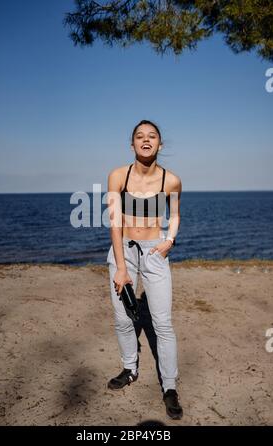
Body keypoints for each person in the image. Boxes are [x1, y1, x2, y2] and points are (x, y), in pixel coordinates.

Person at [106, 119, 183, 420]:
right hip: (123, 249)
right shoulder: (118, 176)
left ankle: (170, 387)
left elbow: (175, 214)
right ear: (132, 144)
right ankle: (130, 368)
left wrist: (169, 241)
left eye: (152, 136)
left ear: (160, 144)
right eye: (140, 136)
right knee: (124, 319)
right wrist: (121, 268)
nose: (146, 140)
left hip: (154, 252)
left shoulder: (171, 180)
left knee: (162, 325)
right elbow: (115, 223)